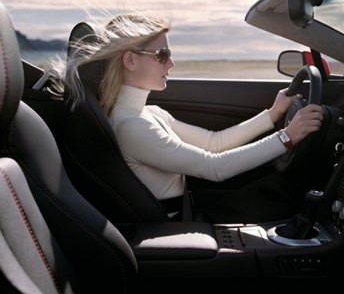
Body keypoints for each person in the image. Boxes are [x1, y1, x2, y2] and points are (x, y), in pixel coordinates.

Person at [58, 14, 324, 222]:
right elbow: (213, 168)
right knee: (286, 196)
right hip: (176, 226)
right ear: (130, 61)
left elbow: (213, 142)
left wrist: (272, 114)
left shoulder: (147, 113)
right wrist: (288, 137)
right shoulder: (132, 126)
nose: (171, 64)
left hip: (189, 209)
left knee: (281, 193)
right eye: (163, 55)